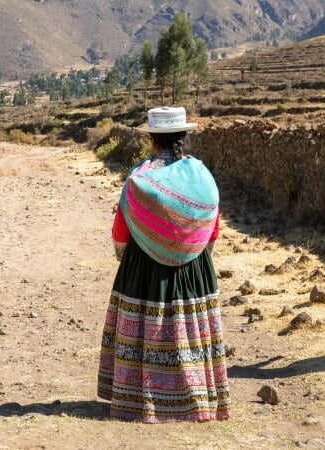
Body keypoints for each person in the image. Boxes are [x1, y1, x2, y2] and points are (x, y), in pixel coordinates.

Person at [97, 107, 231, 423]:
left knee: (148, 327)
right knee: (188, 328)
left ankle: (139, 399)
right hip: (193, 268)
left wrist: (129, 253)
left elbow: (121, 229)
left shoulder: (139, 179)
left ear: (152, 139)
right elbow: (212, 224)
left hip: (143, 266)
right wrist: (195, 250)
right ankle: (197, 398)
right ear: (184, 136)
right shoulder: (201, 175)